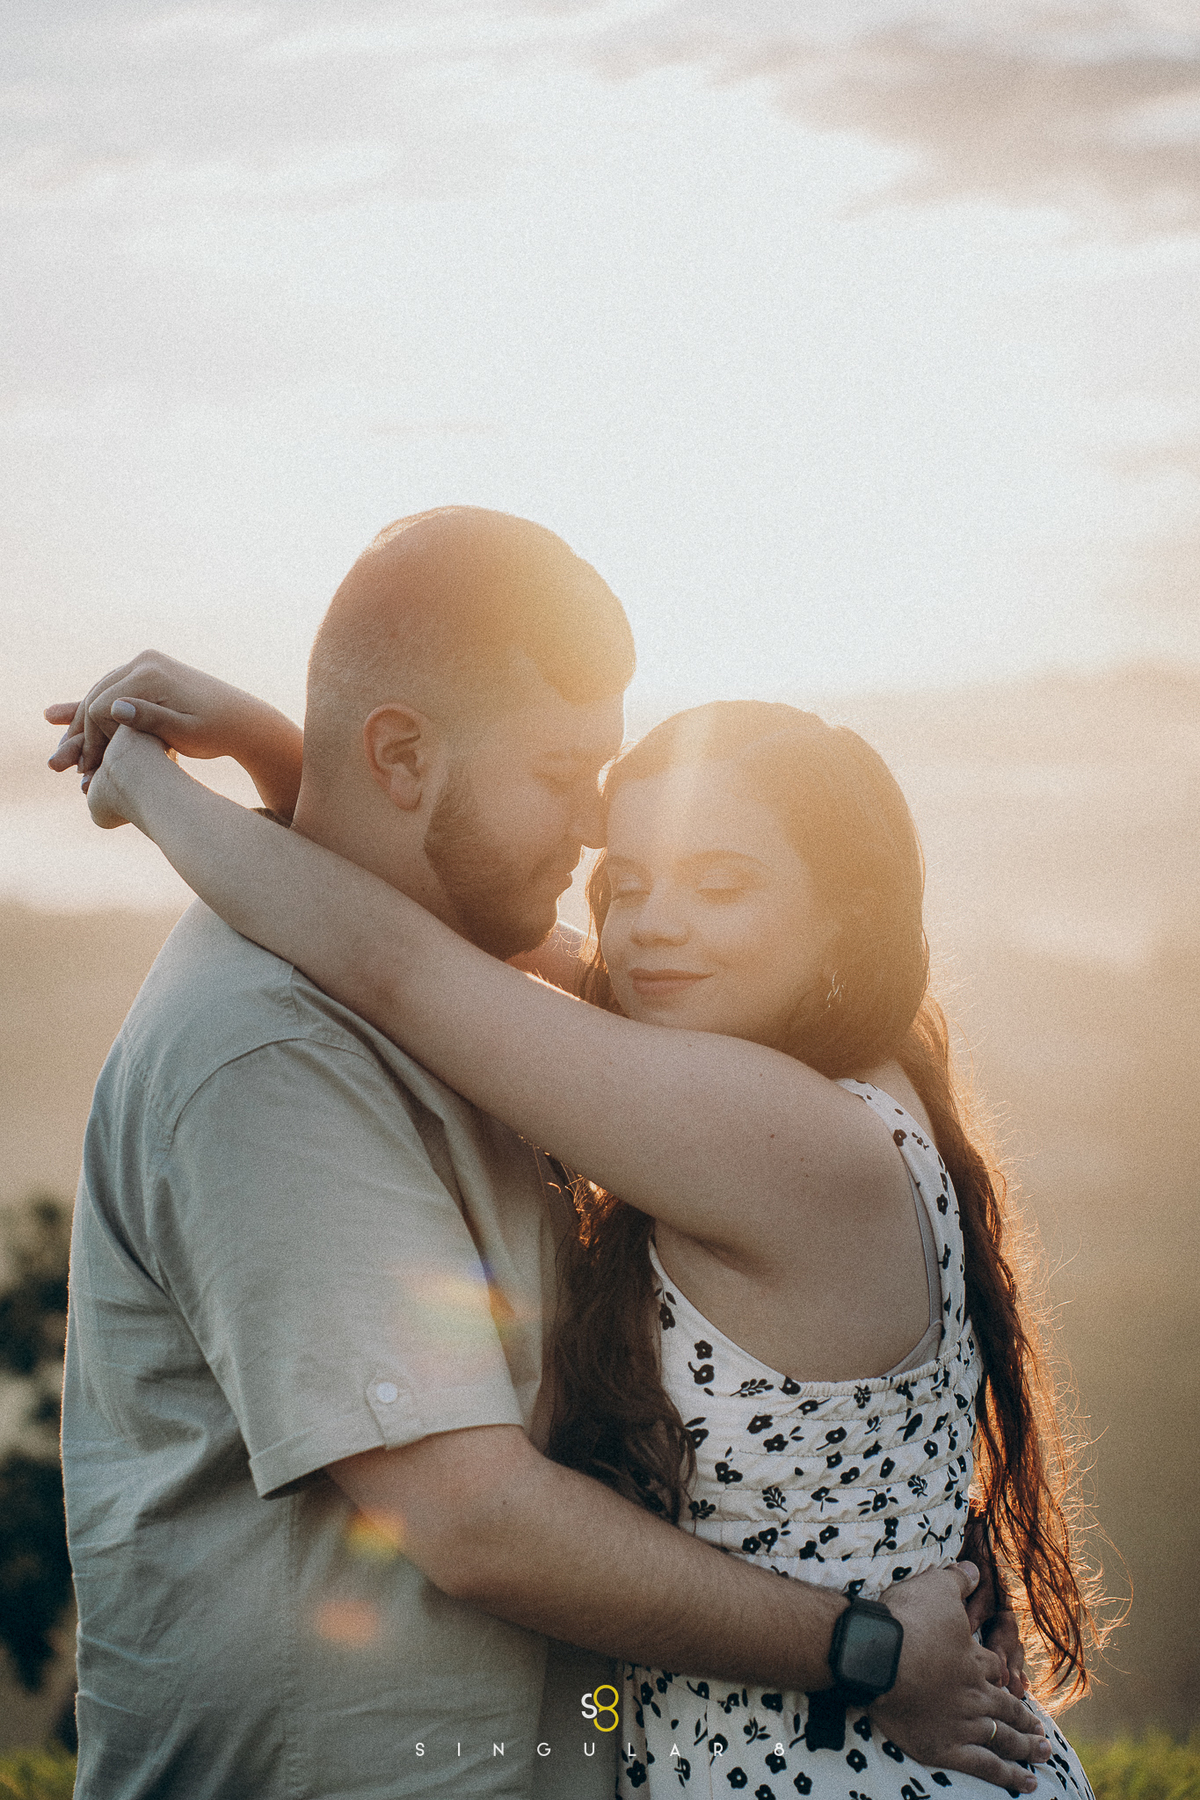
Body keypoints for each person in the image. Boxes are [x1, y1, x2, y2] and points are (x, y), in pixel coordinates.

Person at [52, 594, 1092, 1798]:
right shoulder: (822, 1070)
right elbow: (480, 926)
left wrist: (149, 792)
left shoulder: (770, 1132)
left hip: (840, 1764)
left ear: (842, 919)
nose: (653, 929)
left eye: (720, 883)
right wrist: (294, 754)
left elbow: (406, 968)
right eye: (630, 880)